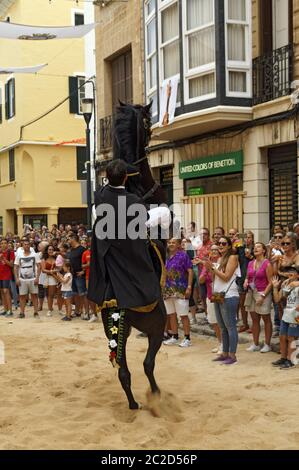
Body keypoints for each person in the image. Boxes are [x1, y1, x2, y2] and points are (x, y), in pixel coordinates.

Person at [88, 160, 161, 314]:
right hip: (129, 254)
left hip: (107, 254)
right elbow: (145, 219)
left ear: (107, 177)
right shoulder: (134, 201)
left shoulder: (99, 195)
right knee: (157, 245)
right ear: (126, 178)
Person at [204, 236, 240, 365]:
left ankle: (232, 355)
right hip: (219, 294)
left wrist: (212, 268)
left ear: (229, 246)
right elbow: (215, 279)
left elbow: (226, 277)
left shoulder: (232, 257)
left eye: (224, 243)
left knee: (230, 327)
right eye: (219, 243)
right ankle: (225, 353)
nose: (220, 245)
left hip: (229, 295)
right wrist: (209, 267)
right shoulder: (219, 258)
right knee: (223, 327)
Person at [163, 238, 193, 347]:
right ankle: (174, 336)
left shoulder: (183, 256)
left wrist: (189, 286)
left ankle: (187, 338)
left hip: (180, 289)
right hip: (167, 290)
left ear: (179, 244)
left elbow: (190, 271)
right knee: (171, 314)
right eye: (169, 242)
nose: (171, 244)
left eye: (173, 242)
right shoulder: (165, 256)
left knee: (183, 315)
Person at [244, 243, 273, 353]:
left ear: (264, 251)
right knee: (254, 320)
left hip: (263, 292)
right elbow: (248, 276)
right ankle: (255, 344)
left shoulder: (267, 264)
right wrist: (246, 281)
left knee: (266, 319)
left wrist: (263, 296)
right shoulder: (251, 263)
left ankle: (267, 344)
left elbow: (271, 282)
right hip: (251, 292)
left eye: (259, 247)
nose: (255, 248)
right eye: (254, 247)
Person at [272, 270, 299, 369]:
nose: (290, 277)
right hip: (286, 315)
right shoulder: (287, 286)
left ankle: (291, 360)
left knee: (291, 338)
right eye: (288, 275)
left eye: (292, 275)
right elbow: (277, 299)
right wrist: (275, 287)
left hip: (296, 316)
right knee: (282, 337)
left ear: (297, 276)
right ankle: (283, 358)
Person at [200, 245, 222, 354]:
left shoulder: (223, 262)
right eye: (212, 249)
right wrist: (207, 268)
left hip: (220, 294)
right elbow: (201, 281)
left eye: (216, 249)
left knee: (221, 321)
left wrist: (211, 268)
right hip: (210, 294)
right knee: (213, 321)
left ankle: (225, 345)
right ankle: (221, 343)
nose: (213, 251)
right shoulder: (207, 264)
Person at [14, 240, 41, 319]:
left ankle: (36, 312)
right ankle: (22, 313)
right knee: (22, 296)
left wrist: (37, 278)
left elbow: (39, 266)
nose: (26, 246)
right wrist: (16, 278)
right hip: (22, 279)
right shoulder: (19, 255)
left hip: (33, 278)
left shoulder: (35, 255)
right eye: (25, 244)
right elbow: (15, 267)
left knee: (34, 296)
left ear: (30, 245)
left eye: (28, 244)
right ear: (22, 246)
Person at [67, 234, 88, 320]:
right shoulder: (72, 250)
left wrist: (83, 271)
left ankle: (86, 313)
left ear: (73, 239)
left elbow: (88, 262)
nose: (68, 240)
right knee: (75, 294)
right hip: (73, 275)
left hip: (80, 275)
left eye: (69, 239)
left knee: (83, 294)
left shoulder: (82, 249)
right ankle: (77, 311)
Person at [238, 231, 254, 333]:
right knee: (242, 304)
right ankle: (245, 324)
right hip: (242, 278)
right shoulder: (241, 248)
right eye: (245, 237)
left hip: (253, 279)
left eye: (249, 237)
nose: (247, 239)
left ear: (252, 238)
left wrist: (251, 257)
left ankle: (254, 324)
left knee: (252, 304)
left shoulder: (256, 248)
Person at [41, 245, 58, 317]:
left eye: (52, 249)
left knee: (54, 294)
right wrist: (51, 271)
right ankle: (49, 309)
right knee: (49, 295)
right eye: (49, 249)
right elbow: (43, 270)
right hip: (48, 278)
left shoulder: (57, 258)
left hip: (56, 278)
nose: (50, 251)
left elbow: (59, 268)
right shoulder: (43, 259)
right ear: (47, 251)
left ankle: (53, 308)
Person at [0, 239, 14, 317]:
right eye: (2, 243)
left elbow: (11, 265)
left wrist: (3, 259)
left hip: (6, 274)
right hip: (0, 274)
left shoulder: (10, 252)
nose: (3, 245)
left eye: (5, 243)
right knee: (2, 292)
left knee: (6, 291)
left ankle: (10, 311)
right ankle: (5, 310)